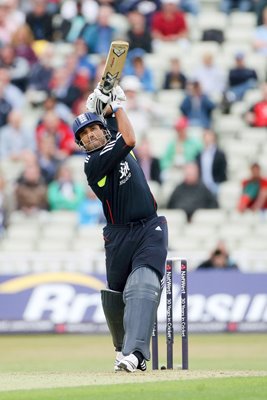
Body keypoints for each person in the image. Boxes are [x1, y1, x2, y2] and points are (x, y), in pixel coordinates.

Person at [72, 84, 168, 373]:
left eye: (93, 130)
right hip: (118, 235)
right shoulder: (94, 164)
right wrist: (117, 106)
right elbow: (129, 137)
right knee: (116, 295)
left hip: (150, 227)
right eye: (84, 135)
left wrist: (106, 107)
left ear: (102, 130)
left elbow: (117, 131)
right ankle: (121, 349)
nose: (90, 136)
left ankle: (135, 354)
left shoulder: (110, 137)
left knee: (144, 285)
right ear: (81, 144)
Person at [195, 129, 227, 196]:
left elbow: (222, 170)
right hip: (202, 184)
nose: (207, 138)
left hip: (215, 184)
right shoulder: (199, 155)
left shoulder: (220, 154)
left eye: (209, 136)